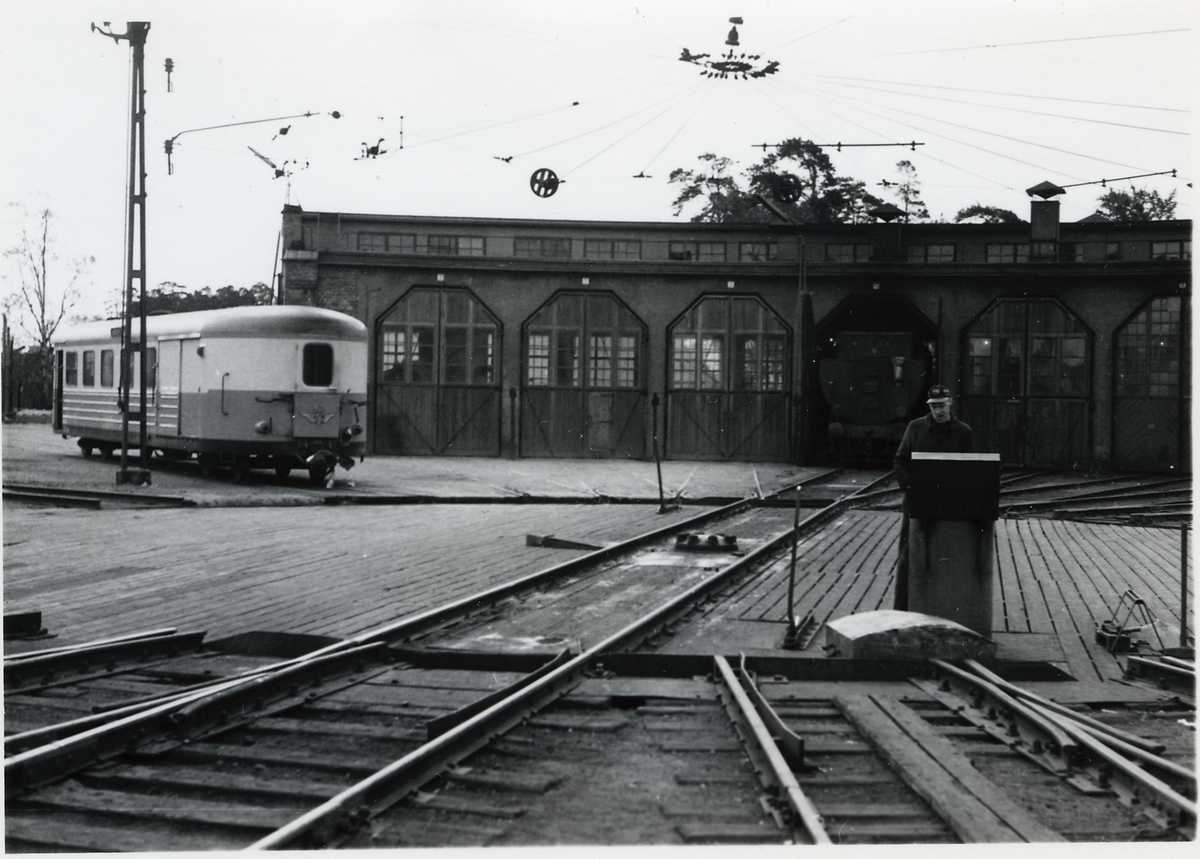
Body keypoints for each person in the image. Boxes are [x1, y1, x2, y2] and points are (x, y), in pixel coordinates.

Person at [892, 384, 974, 611]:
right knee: (909, 557)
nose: (938, 411)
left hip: (949, 504)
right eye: (934, 406)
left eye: (942, 405)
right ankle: (901, 610)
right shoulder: (916, 428)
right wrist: (909, 486)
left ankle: (945, 610)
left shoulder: (963, 432)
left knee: (948, 556)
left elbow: (969, 469)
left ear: (950, 403)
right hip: (917, 503)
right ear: (930, 406)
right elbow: (900, 460)